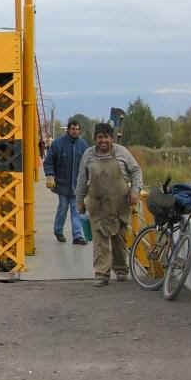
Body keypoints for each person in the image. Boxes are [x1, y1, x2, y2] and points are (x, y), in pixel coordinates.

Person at [75, 123, 143, 287]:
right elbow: (82, 180)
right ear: (95, 139)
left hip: (120, 203)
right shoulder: (88, 155)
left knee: (119, 238)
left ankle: (121, 269)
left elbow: (136, 171)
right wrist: (79, 201)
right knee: (100, 240)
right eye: (99, 137)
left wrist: (135, 191)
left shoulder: (122, 152)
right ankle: (101, 273)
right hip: (97, 204)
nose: (103, 141)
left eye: (106, 137)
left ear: (111, 138)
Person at [43, 119, 88, 245]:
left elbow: (89, 163)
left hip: (77, 185)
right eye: (73, 129)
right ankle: (58, 230)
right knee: (63, 208)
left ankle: (77, 236)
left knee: (76, 210)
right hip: (62, 184)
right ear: (68, 130)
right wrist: (50, 175)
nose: (75, 131)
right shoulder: (58, 144)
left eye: (77, 129)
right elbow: (49, 161)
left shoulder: (83, 145)